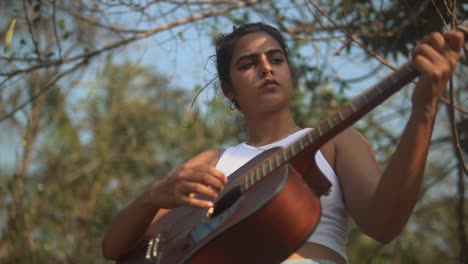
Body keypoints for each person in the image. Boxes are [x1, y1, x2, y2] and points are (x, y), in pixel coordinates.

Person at [101, 23, 465, 264]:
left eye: (276, 59)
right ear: (229, 89)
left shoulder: (336, 141)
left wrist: (424, 110)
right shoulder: (215, 160)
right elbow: (114, 248)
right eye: (248, 64)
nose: (266, 67)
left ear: (289, 72)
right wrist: (152, 196)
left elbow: (384, 224)